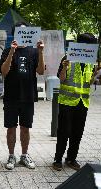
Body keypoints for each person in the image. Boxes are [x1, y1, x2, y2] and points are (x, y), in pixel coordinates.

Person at [0, 22, 45, 170]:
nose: (24, 34)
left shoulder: (34, 51)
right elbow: (4, 72)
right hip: (11, 96)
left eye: (26, 32)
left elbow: (41, 71)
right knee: (11, 128)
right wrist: (12, 51)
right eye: (20, 32)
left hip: (28, 96)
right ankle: (11, 155)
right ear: (15, 34)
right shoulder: (7, 51)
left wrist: (41, 51)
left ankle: (24, 155)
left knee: (25, 128)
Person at [52, 33, 100, 171]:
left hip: (83, 102)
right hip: (67, 101)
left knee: (77, 132)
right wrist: (65, 68)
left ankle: (71, 159)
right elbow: (61, 79)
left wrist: (95, 74)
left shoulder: (92, 61)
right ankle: (57, 160)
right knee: (63, 132)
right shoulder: (68, 58)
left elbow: (89, 82)